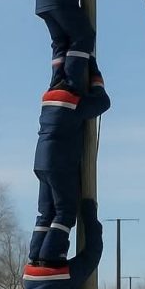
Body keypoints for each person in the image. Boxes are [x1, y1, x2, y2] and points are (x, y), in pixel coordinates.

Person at [29, 76, 110, 266]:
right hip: (59, 163)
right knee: (65, 212)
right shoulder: (72, 102)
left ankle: (35, 255)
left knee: (46, 212)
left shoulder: (47, 101)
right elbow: (103, 102)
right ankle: (50, 255)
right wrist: (96, 79)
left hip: (41, 163)